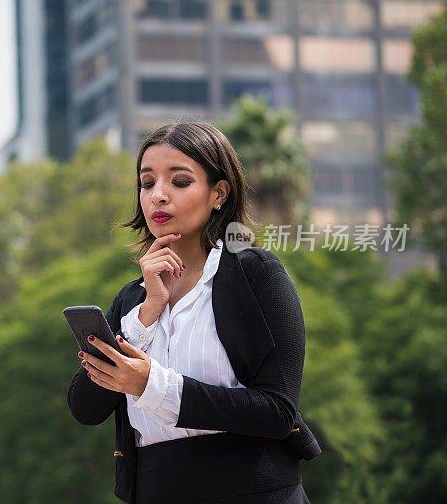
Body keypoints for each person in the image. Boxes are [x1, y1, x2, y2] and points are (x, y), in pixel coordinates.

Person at [66, 122, 321, 503]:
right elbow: (86, 407)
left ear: (218, 193)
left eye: (180, 182)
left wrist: (151, 385)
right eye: (147, 183)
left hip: (253, 491)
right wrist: (146, 313)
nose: (158, 196)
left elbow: (278, 411)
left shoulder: (256, 274)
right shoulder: (131, 300)